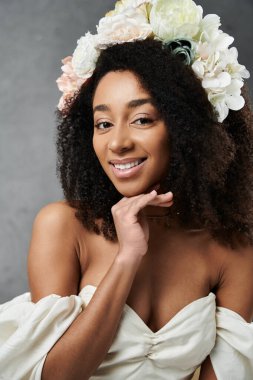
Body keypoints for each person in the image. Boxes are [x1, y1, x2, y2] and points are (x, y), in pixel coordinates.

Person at [0, 0, 253, 379]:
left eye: (141, 119)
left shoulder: (232, 250)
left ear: (188, 129)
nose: (117, 143)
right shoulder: (63, 227)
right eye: (103, 124)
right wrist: (127, 257)